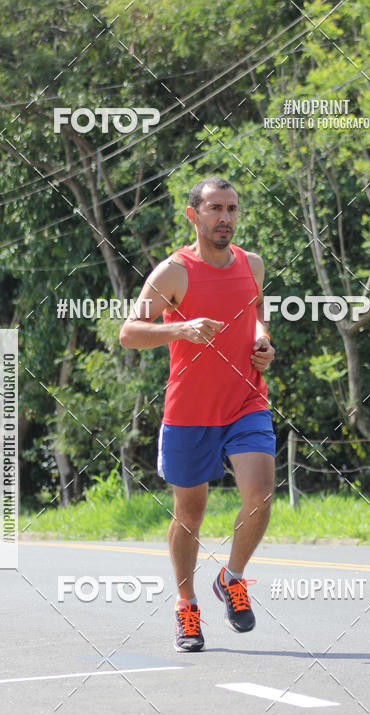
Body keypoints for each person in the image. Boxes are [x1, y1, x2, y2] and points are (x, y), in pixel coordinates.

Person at [119, 176, 275, 652]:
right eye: (215, 209)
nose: (225, 217)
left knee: (262, 494)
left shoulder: (252, 264)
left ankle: (232, 577)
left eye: (231, 208)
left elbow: (257, 313)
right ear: (194, 215)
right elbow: (129, 331)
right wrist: (181, 328)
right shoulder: (173, 273)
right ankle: (187, 607)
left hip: (246, 399)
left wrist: (262, 342)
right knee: (190, 513)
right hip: (190, 410)